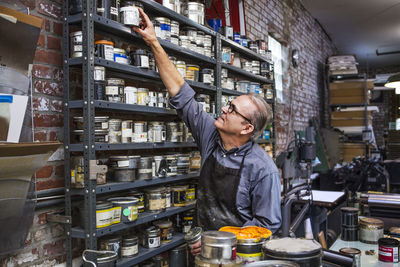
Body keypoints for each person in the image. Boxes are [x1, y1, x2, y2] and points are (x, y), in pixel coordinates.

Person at [133, 8, 282, 255]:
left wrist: (220, 240)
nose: (224, 108)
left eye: (232, 109)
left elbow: (267, 226)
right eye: (228, 104)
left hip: (241, 256)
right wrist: (153, 41)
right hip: (205, 251)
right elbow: (181, 92)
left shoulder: (263, 169)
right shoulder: (211, 137)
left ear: (247, 128)